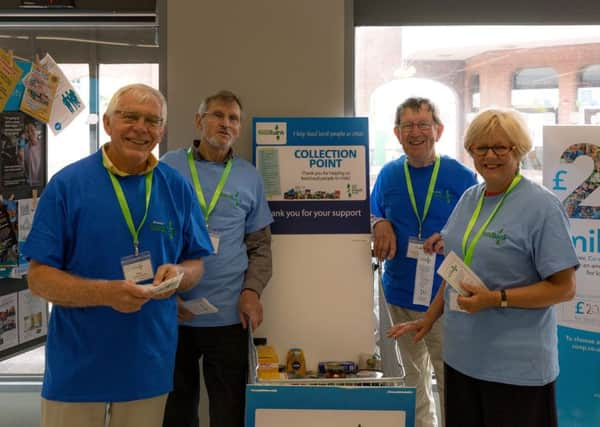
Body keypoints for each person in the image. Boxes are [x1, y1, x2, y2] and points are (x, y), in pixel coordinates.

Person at [22, 83, 214, 427]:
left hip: (148, 360)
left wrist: (180, 275)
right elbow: (38, 278)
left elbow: (197, 262)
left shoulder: (176, 187)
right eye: (130, 117)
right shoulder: (67, 184)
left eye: (152, 121)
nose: (141, 128)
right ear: (108, 124)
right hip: (78, 363)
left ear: (162, 132)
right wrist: (107, 294)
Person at [389, 108, 578, 427]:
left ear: (518, 150)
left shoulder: (542, 207)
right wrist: (431, 316)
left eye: (500, 147)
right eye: (481, 147)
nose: (490, 156)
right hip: (462, 359)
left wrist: (497, 298)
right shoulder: (469, 198)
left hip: (517, 369)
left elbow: (564, 288)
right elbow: (455, 268)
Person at [161, 90, 273, 427]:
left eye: (233, 119)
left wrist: (252, 292)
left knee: (228, 409)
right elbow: (151, 235)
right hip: (173, 309)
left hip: (228, 314)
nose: (226, 123)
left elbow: (261, 247)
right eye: (218, 115)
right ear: (199, 121)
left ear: (238, 129)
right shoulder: (168, 166)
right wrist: (164, 293)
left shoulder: (249, 176)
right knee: (176, 408)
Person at [370, 97, 477, 427]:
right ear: (397, 133)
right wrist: (378, 223)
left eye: (423, 124)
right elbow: (372, 211)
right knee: (411, 384)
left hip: (447, 298)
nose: (415, 133)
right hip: (399, 295)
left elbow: (478, 232)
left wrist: (453, 241)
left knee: (451, 381)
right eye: (407, 126)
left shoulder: (462, 177)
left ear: (438, 130)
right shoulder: (388, 175)